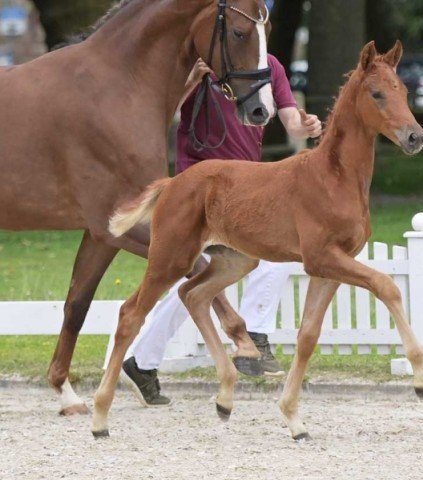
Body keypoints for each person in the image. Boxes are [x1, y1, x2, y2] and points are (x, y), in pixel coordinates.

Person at [118, 55, 322, 407]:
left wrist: (304, 127)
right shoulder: (200, 65)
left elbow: (289, 118)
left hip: (246, 183)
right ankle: (252, 337)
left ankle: (143, 363)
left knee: (199, 283)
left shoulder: (270, 66)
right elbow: (162, 112)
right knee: (204, 277)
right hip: (201, 184)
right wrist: (190, 80)